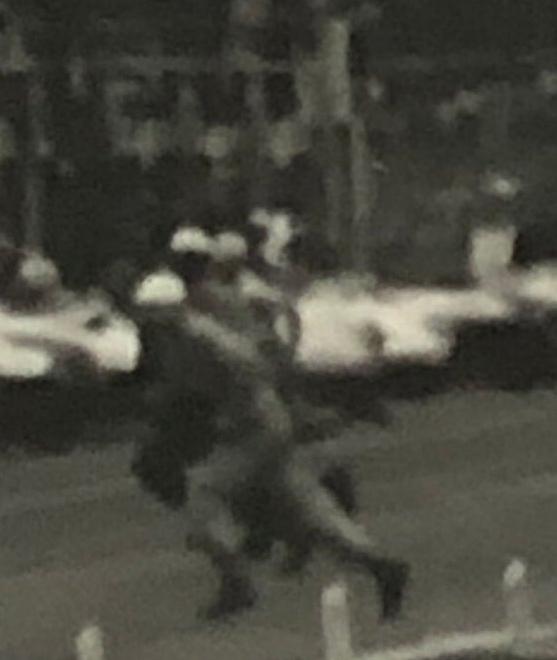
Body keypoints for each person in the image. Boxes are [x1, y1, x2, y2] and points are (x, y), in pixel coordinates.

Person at [128, 234, 410, 622]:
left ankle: (237, 579)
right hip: (261, 426)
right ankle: (382, 566)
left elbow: (252, 364)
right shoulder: (182, 335)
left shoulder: (200, 334)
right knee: (315, 513)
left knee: (203, 493)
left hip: (255, 428)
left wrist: (244, 404)